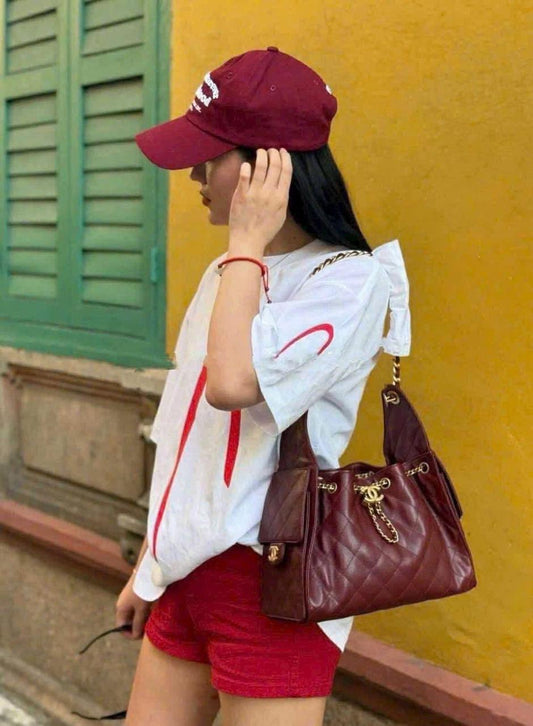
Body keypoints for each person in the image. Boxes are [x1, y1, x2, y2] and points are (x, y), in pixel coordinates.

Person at [115, 47, 410, 726]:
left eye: (208, 157)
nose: (193, 174)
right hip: (184, 574)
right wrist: (150, 568)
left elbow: (233, 384)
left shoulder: (350, 280)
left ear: (270, 167)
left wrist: (248, 241)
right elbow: (186, 438)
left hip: (271, 579)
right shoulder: (227, 271)